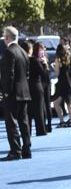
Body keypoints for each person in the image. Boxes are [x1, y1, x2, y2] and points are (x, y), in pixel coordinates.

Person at [1, 25, 31, 161]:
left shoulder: (9, 52)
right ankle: (26, 149)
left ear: (7, 37)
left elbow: (9, 74)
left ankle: (15, 150)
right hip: (24, 92)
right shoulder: (24, 52)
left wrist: (6, 91)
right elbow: (27, 73)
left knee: (11, 122)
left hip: (13, 93)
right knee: (24, 122)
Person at [27, 41, 49, 137]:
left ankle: (28, 131)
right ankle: (41, 130)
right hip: (37, 86)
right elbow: (43, 74)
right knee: (39, 109)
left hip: (28, 87)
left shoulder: (26, 60)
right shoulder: (36, 61)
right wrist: (44, 65)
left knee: (28, 111)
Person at [52, 43, 71, 127]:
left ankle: (61, 121)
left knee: (56, 103)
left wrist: (55, 67)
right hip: (69, 82)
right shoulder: (69, 58)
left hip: (61, 82)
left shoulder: (58, 60)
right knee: (69, 102)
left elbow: (57, 73)